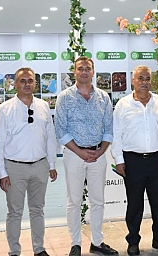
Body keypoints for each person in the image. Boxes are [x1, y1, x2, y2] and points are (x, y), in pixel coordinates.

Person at [54, 56, 117, 256]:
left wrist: (101, 151)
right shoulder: (65, 97)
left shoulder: (103, 97)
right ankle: (76, 243)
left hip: (98, 155)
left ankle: (97, 242)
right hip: (74, 155)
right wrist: (80, 152)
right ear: (74, 72)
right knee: (74, 201)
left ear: (93, 71)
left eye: (87, 68)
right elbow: (60, 130)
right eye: (80, 68)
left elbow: (109, 128)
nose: (84, 71)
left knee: (97, 200)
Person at [0, 67, 58, 256]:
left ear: (35, 84)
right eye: (22, 81)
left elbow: (50, 137)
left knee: (38, 210)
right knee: (15, 212)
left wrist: (51, 165)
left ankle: (39, 249)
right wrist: (2, 173)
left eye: (30, 81)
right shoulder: (5, 109)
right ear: (15, 84)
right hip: (14, 168)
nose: (27, 84)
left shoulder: (43, 106)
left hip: (40, 165)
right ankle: (14, 251)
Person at [113, 66, 158, 255]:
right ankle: (133, 241)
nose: (144, 82)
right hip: (133, 161)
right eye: (140, 78)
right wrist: (119, 160)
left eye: (148, 78)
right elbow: (116, 135)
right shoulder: (123, 104)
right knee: (135, 204)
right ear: (133, 81)